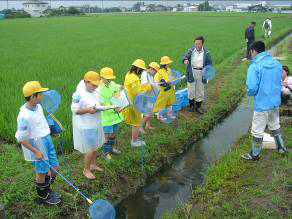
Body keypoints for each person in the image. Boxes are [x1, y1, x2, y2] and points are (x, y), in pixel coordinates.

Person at [15, 81, 61, 205]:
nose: (42, 96)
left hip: (47, 140)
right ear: (32, 97)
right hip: (38, 145)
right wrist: (36, 151)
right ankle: (43, 197)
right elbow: (21, 139)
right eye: (40, 93)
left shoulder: (38, 107)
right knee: (41, 172)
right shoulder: (24, 117)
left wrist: (51, 132)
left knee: (55, 168)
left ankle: (47, 189)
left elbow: (41, 122)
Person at [241, 41, 287, 161]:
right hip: (275, 102)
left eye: (251, 52)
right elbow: (279, 80)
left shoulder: (255, 66)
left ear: (254, 51)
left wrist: (250, 93)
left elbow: (251, 88)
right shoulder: (277, 64)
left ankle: (255, 154)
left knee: (257, 130)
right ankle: (281, 148)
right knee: (275, 125)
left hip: (262, 104)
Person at [71, 71, 113, 179]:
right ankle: (86, 170)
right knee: (90, 149)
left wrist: (108, 107)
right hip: (86, 125)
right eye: (93, 85)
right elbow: (75, 110)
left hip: (96, 123)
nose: (95, 87)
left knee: (95, 146)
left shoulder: (95, 91)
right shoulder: (78, 94)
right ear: (86, 82)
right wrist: (88, 110)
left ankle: (93, 165)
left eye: (96, 85)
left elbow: (100, 103)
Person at [122, 59, 152, 147]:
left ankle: (135, 138)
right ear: (138, 69)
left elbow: (136, 88)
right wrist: (148, 87)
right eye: (141, 70)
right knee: (136, 123)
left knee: (135, 122)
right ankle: (134, 142)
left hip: (129, 101)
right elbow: (138, 93)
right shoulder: (134, 79)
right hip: (134, 103)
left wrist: (142, 85)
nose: (141, 72)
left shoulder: (128, 74)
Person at [182, 36, 212, 114]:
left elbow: (209, 63)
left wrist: (208, 72)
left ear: (202, 44)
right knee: (191, 90)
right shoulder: (191, 50)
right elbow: (185, 56)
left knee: (200, 91)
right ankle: (191, 106)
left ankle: (198, 107)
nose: (197, 45)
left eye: (199, 44)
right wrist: (185, 60)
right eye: (196, 44)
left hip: (201, 73)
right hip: (191, 72)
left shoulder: (207, 53)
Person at [98, 67, 123, 160]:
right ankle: (105, 153)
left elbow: (118, 87)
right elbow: (103, 102)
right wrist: (114, 109)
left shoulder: (112, 84)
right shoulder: (99, 88)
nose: (109, 80)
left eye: (110, 78)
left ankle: (111, 149)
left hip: (116, 116)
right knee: (107, 136)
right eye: (107, 78)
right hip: (107, 117)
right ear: (102, 77)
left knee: (114, 134)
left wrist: (121, 87)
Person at [153, 56, 176, 120]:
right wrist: (162, 82)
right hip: (163, 90)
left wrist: (173, 79)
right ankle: (160, 117)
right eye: (168, 63)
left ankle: (169, 114)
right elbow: (156, 81)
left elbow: (171, 77)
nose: (169, 64)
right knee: (161, 103)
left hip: (170, 90)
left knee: (169, 102)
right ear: (165, 64)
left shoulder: (169, 70)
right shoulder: (160, 72)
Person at [140, 62, 160, 132]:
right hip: (146, 96)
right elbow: (146, 85)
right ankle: (141, 126)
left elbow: (152, 84)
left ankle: (147, 125)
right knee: (148, 113)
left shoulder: (150, 75)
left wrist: (156, 84)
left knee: (150, 111)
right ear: (151, 69)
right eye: (155, 71)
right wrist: (156, 83)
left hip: (150, 96)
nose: (155, 73)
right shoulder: (144, 74)